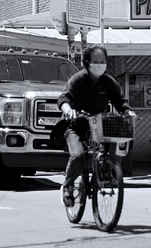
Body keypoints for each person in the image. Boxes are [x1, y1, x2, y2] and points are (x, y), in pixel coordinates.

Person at [57, 45, 135, 206]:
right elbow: (63, 99)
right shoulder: (78, 79)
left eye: (103, 61)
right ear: (87, 62)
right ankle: (67, 187)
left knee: (110, 143)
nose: (100, 64)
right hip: (75, 125)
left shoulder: (108, 82)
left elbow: (120, 101)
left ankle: (106, 173)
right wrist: (69, 110)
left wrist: (128, 112)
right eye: (96, 61)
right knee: (78, 156)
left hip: (97, 123)